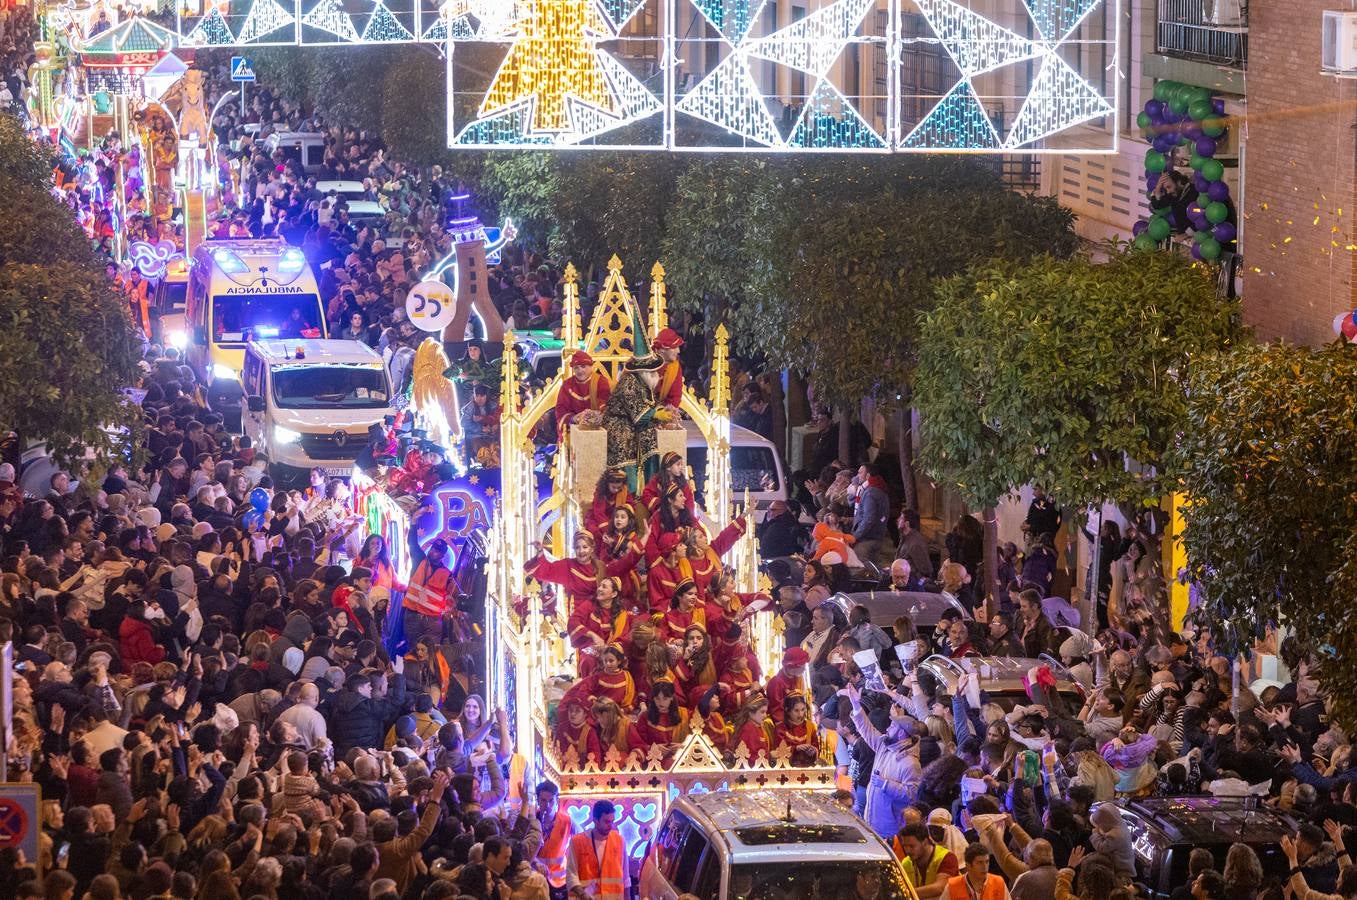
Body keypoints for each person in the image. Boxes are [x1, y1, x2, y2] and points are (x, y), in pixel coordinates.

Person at [601, 353, 673, 493]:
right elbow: (637, 412)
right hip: (620, 425)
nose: (656, 374)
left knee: (651, 441)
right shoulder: (628, 382)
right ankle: (630, 492)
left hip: (636, 424)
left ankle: (650, 490)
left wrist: (662, 411)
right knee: (626, 443)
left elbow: (651, 403)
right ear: (644, 371)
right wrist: (655, 414)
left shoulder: (644, 382)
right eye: (652, 371)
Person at [566, 799, 627, 899]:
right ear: (595, 820)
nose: (610, 826)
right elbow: (571, 875)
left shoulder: (619, 841)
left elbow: (626, 879)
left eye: (612, 821)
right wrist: (582, 894)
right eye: (606, 822)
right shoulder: (577, 842)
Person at [403, 537, 453, 650]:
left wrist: (446, 613)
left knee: (430, 651)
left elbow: (449, 597)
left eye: (437, 550)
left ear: (442, 555)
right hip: (413, 614)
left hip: (432, 619)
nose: (433, 551)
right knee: (413, 649)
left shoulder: (447, 574)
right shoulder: (420, 560)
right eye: (433, 548)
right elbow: (412, 542)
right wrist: (414, 526)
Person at [554, 349, 611, 440]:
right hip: (574, 428)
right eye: (576, 368)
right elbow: (561, 409)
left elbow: (606, 405)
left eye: (583, 366)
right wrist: (574, 418)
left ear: (591, 366)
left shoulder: (600, 381)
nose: (580, 370)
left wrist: (592, 416)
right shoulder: (567, 385)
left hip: (597, 428)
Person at [896, 823, 960, 900]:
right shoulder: (906, 863)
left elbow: (940, 888)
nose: (907, 851)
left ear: (925, 842)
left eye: (911, 846)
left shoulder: (946, 857)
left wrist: (903, 893)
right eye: (905, 846)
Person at [535, 781, 574, 899]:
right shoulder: (531, 821)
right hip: (536, 879)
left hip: (560, 882)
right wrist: (535, 862)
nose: (547, 805)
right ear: (537, 800)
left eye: (551, 800)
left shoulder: (567, 821)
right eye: (543, 800)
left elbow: (582, 841)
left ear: (557, 800)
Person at [852, 464, 891, 567]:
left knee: (862, 569)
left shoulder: (870, 493)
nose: (858, 475)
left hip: (867, 540)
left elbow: (868, 519)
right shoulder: (881, 489)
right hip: (877, 537)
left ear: (868, 475)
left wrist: (855, 536)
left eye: (860, 472)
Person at [652, 327, 684, 409]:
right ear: (662, 349)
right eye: (674, 347)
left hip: (661, 409)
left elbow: (675, 397)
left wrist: (668, 411)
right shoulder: (644, 362)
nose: (678, 351)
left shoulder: (675, 367)